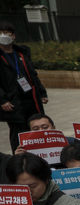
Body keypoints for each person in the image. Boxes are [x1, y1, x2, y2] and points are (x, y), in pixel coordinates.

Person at [0, 20, 48, 152]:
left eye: (7, 33)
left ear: (13, 35)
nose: (4, 36)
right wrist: (2, 100)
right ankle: (19, 156)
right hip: (13, 100)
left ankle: (41, 152)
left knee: (37, 125)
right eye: (1, 33)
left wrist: (42, 93)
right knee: (18, 130)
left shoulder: (22, 53)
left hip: (31, 97)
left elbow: (33, 74)